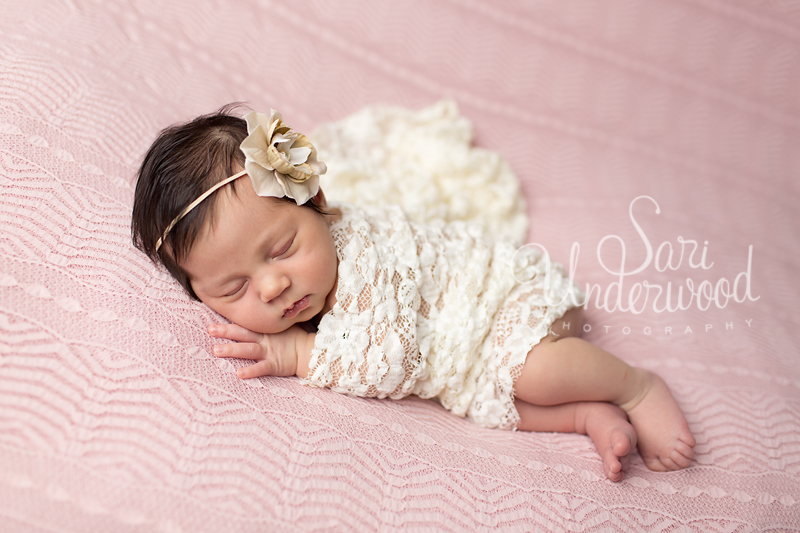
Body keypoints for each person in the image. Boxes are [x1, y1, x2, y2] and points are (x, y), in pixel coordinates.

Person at [131, 105, 695, 482]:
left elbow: (390, 362)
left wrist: (295, 354)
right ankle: (585, 415)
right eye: (234, 287)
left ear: (316, 204)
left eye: (281, 249)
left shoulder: (359, 261)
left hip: (499, 298)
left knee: (534, 373)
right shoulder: (295, 278)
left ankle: (637, 387)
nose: (274, 285)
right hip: (463, 356)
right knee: (496, 404)